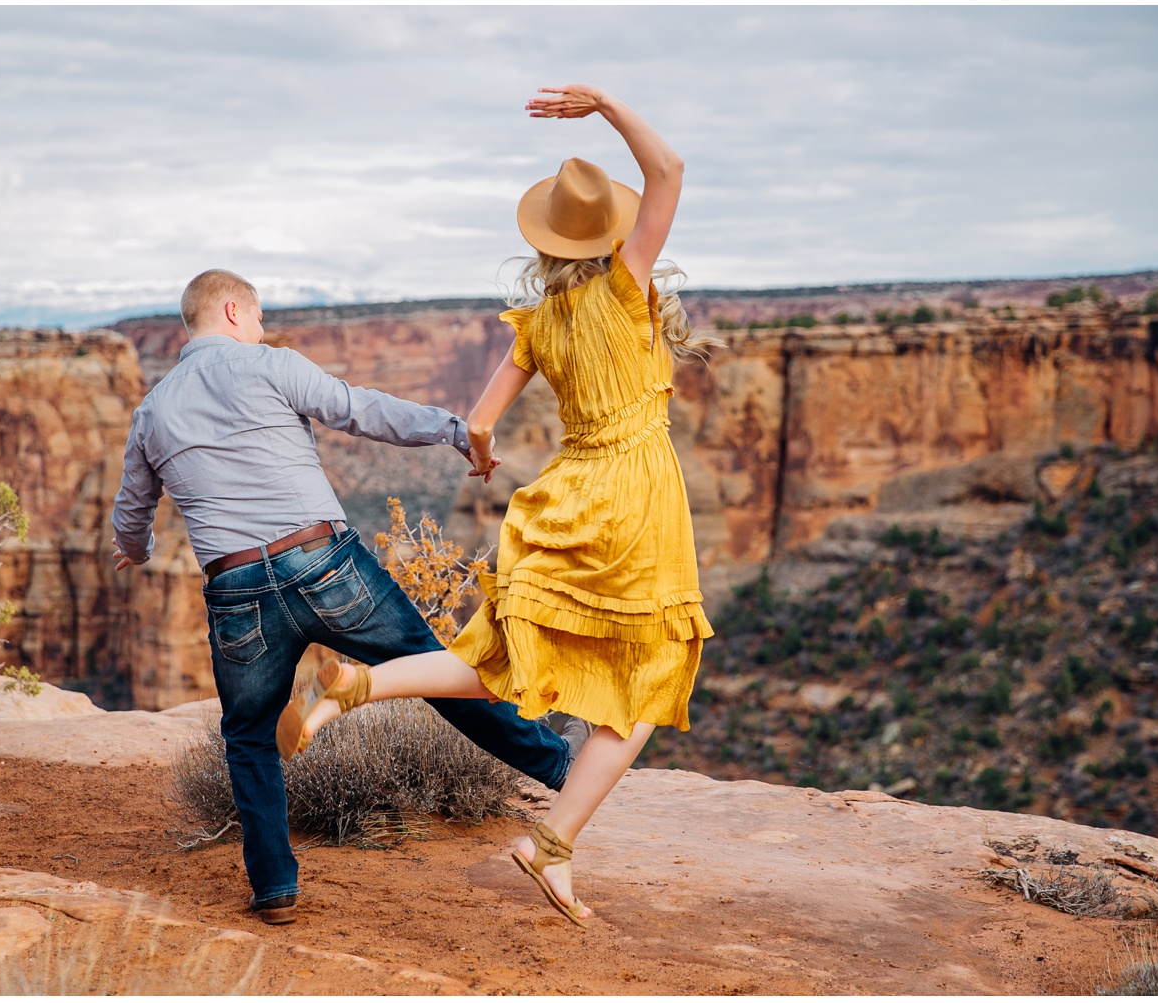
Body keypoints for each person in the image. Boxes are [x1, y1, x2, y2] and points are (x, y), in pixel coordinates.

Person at [276, 84, 717, 928]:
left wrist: (481, 458)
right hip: (635, 496)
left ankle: (356, 685)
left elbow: (479, 426)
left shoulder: (539, 320)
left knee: (500, 660)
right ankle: (549, 846)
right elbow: (669, 168)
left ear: (551, 242)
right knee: (651, 677)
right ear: (613, 236)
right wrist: (608, 106)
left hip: (567, 490)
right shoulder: (627, 288)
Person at [110, 270, 575, 926]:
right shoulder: (271, 365)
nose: (264, 328)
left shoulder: (152, 410)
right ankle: (558, 763)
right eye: (261, 316)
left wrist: (138, 549)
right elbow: (362, 410)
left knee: (247, 735)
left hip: (237, 590)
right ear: (235, 310)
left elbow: (132, 510)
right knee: (431, 666)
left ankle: (274, 886)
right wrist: (455, 429)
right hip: (324, 563)